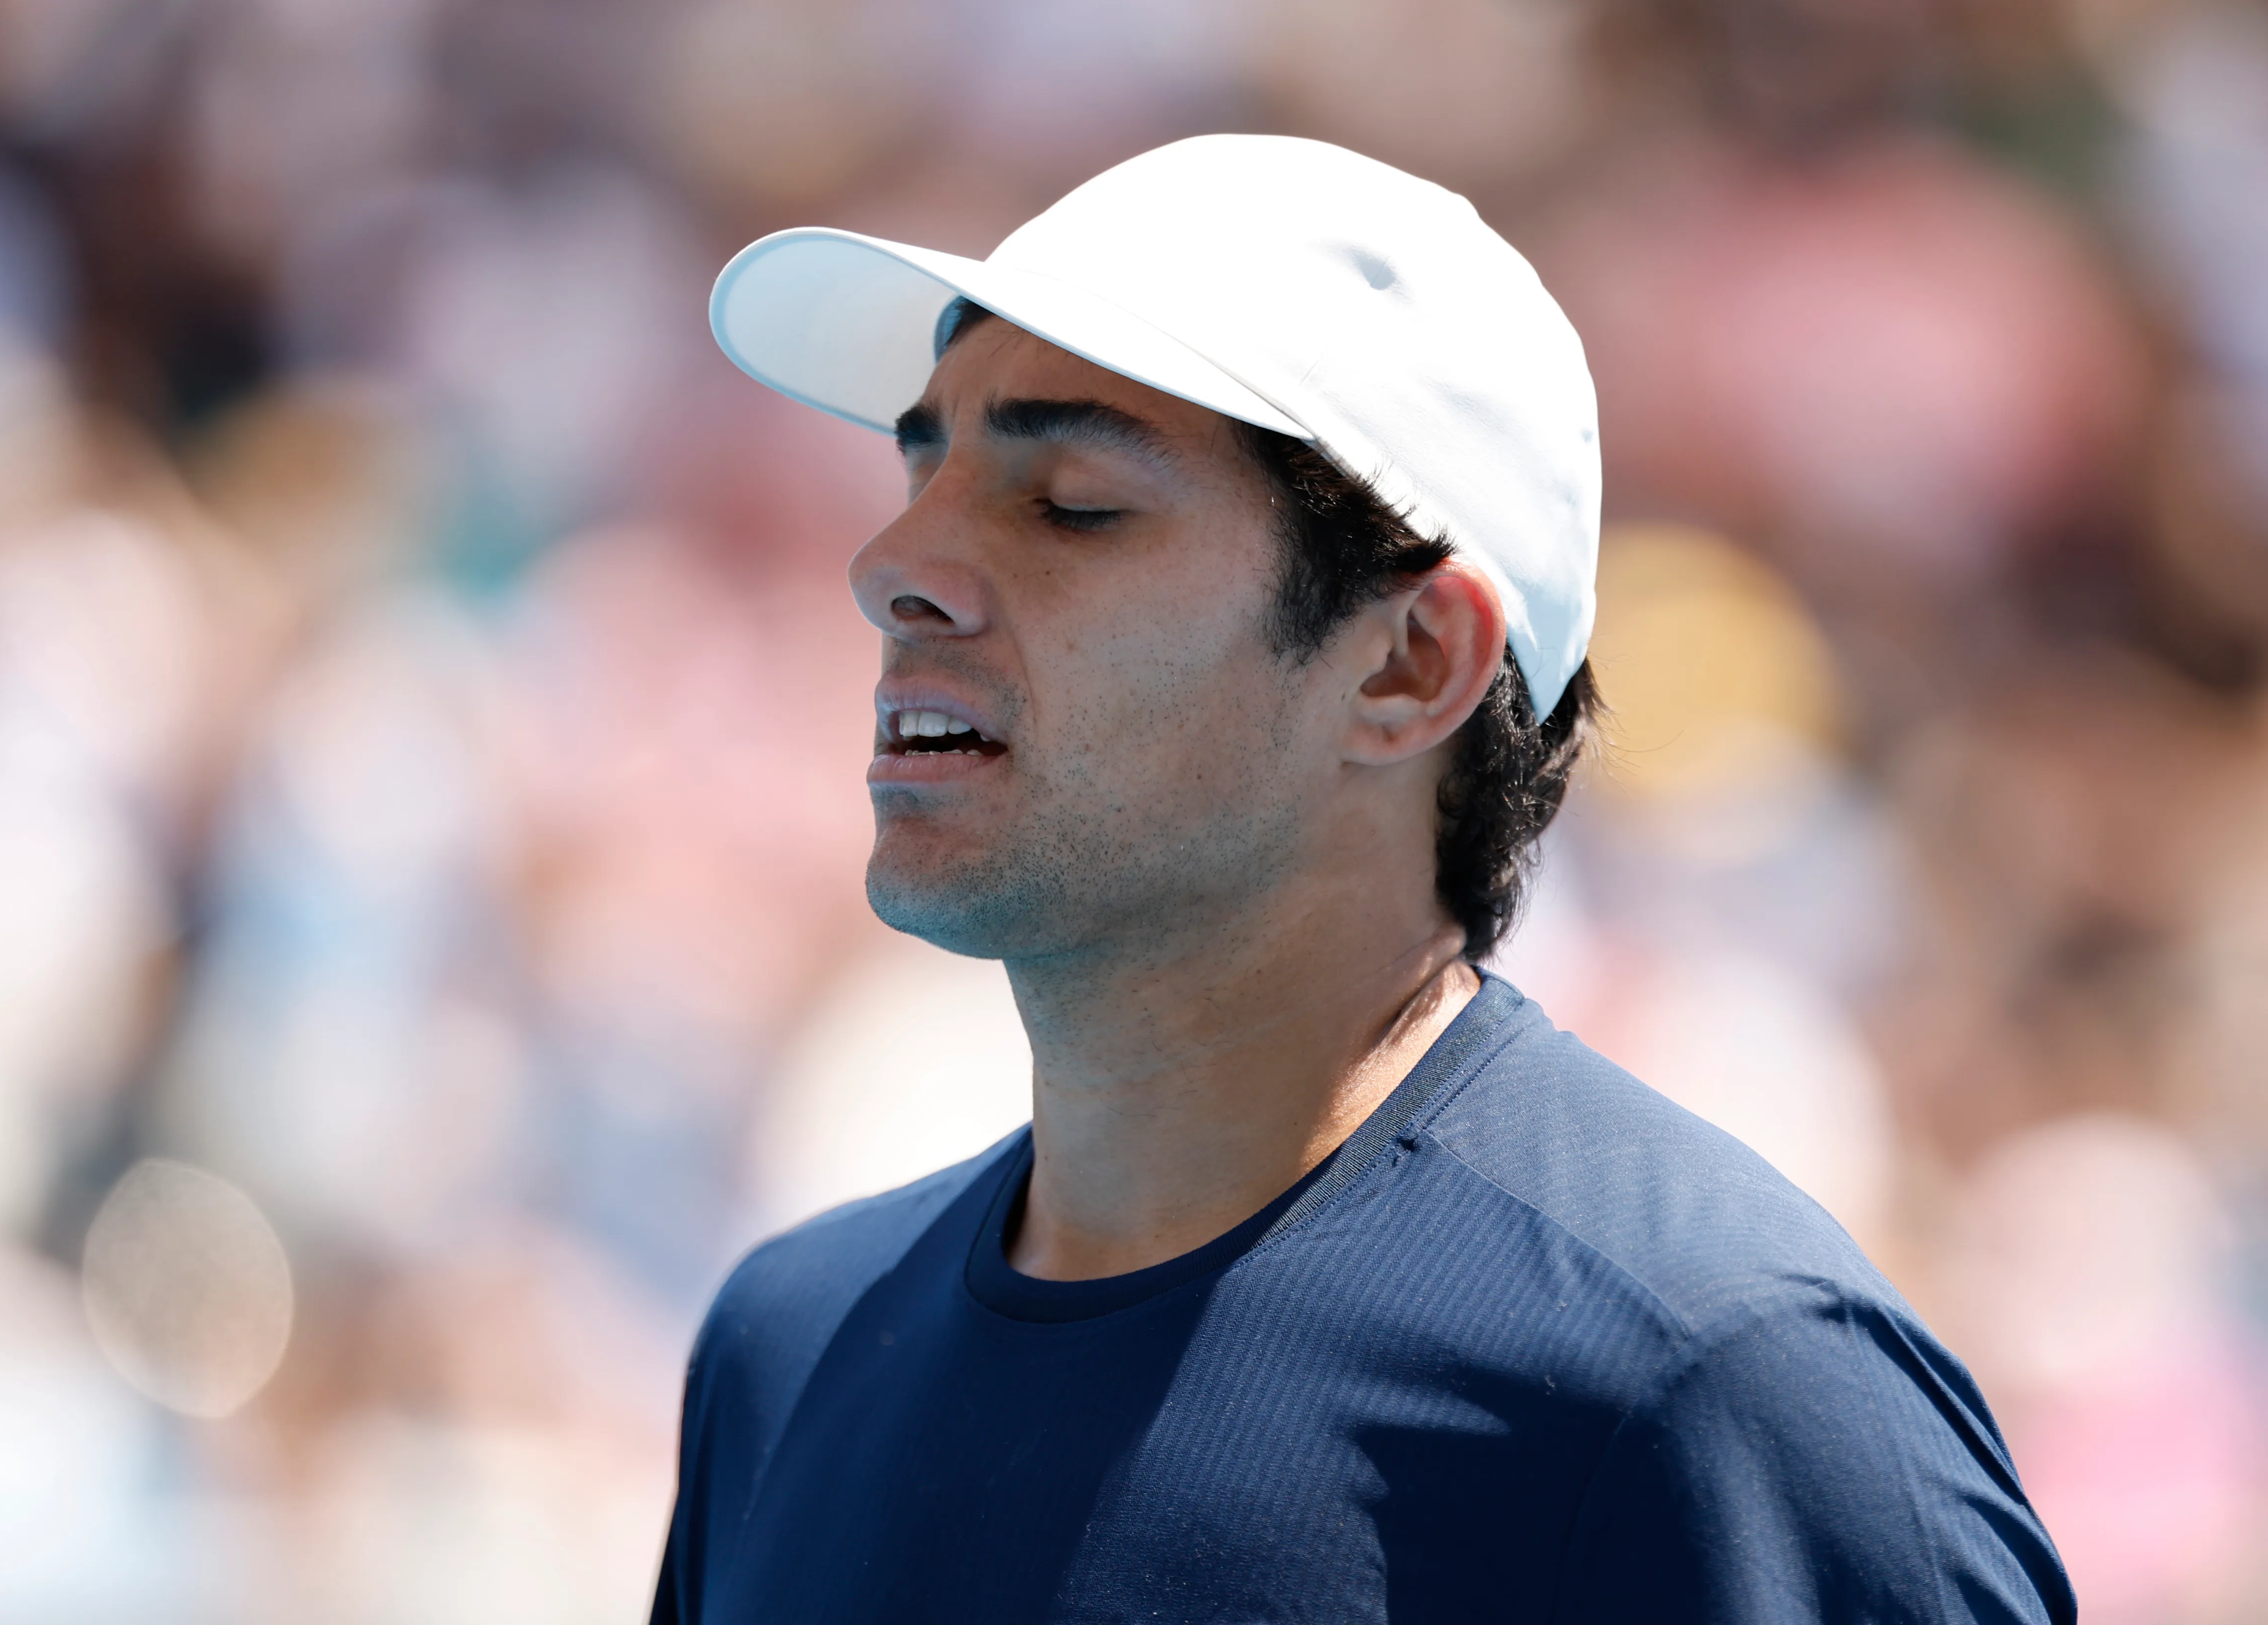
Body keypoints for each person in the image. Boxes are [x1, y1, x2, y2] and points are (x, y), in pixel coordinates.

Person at [652, 135, 2073, 1624]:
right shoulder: (784, 1349)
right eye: (923, 462)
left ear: (1409, 662)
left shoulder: (1713, 1380)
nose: (893, 561)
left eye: (1069, 499)